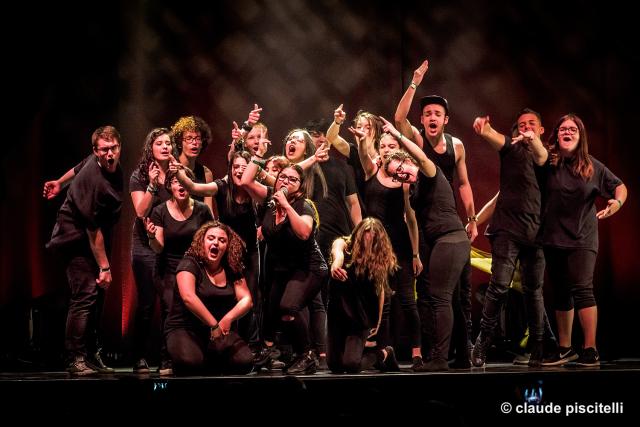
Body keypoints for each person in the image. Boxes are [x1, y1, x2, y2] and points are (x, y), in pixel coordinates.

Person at [394, 59, 477, 368]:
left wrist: (471, 219)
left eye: (437, 114)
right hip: (426, 225)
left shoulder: (456, 146)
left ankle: (458, 355)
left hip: (446, 223)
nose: (431, 117)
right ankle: (443, 354)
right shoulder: (416, 140)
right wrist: (415, 81)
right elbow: (399, 117)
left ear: (445, 120)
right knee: (434, 295)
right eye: (427, 113)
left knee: (455, 295)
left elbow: (465, 183)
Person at [381, 117, 471, 371]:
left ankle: (440, 358)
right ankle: (461, 356)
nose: (401, 175)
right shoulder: (412, 187)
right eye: (396, 175)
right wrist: (416, 253)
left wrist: (398, 136)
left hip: (451, 239)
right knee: (445, 300)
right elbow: (410, 217)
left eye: (401, 168)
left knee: (440, 298)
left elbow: (420, 158)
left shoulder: (430, 171)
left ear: (408, 160)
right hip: (439, 242)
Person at [540, 114, 627, 367]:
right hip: (553, 238)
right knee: (560, 294)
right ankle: (565, 348)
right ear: (556, 134)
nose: (567, 132)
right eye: (563, 129)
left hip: (582, 239)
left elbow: (620, 187)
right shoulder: (548, 163)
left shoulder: (592, 166)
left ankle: (590, 349)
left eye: (573, 130)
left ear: (580, 137)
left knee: (582, 289)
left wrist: (617, 203)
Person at [470, 109, 549, 367]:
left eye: (531, 124)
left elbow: (541, 156)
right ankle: (483, 341)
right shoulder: (512, 151)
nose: (525, 128)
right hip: (507, 230)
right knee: (499, 286)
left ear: (541, 130)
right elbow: (498, 197)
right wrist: (486, 130)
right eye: (521, 125)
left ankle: (538, 345)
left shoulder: (549, 157)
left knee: (533, 291)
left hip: (536, 234)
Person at [45, 126, 123, 375]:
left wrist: (59, 182)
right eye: (104, 150)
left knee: (97, 296)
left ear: (119, 147)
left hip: (91, 237)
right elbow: (92, 231)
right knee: (85, 293)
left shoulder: (102, 163)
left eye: (113, 148)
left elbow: (77, 167)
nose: (110, 154)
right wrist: (105, 267)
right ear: (96, 151)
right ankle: (74, 358)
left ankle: (89, 355)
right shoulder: (94, 181)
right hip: (74, 238)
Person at [242, 164, 328, 374]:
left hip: (310, 267)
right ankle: (271, 352)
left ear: (300, 186)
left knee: (289, 307)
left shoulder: (302, 205)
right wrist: (258, 156)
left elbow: (304, 233)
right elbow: (246, 181)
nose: (286, 182)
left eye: (292, 180)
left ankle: (307, 354)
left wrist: (287, 207)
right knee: (271, 312)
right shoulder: (270, 201)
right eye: (283, 178)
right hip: (285, 270)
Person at [145, 169, 214, 374]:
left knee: (197, 309)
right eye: (175, 182)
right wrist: (150, 237)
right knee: (170, 308)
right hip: (169, 270)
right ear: (170, 186)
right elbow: (158, 247)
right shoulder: (160, 211)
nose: (181, 186)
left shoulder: (202, 210)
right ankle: (167, 359)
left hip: (195, 269)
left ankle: (196, 353)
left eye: (184, 181)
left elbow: (209, 240)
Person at [164, 221, 254, 375]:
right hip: (185, 328)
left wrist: (228, 319)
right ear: (202, 241)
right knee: (190, 363)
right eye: (211, 238)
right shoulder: (190, 263)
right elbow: (188, 297)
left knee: (244, 361)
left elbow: (246, 299)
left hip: (218, 331)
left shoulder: (231, 268)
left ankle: (209, 359)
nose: (216, 243)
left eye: (222, 240)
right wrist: (213, 325)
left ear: (227, 246)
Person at [129, 128, 173, 373]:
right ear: (151, 148)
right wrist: (153, 186)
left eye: (168, 143)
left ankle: (167, 357)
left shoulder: (177, 173)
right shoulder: (140, 175)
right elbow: (140, 211)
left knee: (169, 303)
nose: (165, 147)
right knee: (147, 303)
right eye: (159, 143)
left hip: (169, 246)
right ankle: (139, 357)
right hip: (144, 246)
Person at [170, 116, 215, 214]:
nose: (194, 143)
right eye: (189, 138)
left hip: (198, 226)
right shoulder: (171, 168)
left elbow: (208, 210)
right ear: (179, 142)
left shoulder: (206, 173)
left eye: (198, 138)